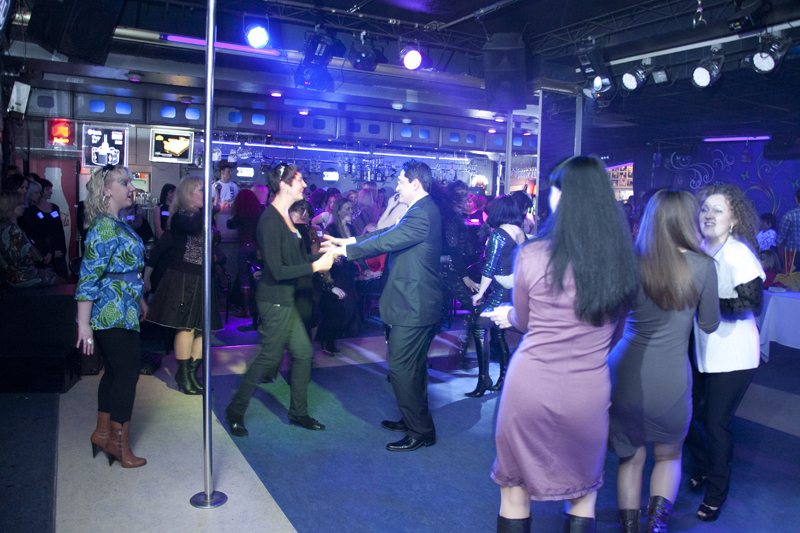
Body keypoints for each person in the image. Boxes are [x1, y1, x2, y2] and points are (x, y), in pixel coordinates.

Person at [483, 157, 638, 533]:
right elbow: (615, 334)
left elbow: (525, 321)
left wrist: (509, 316)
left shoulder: (533, 254)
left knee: (514, 490)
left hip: (530, 386)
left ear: (559, 197)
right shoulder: (622, 262)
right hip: (588, 390)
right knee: (583, 493)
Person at [608, 190, 720, 533]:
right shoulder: (704, 266)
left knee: (630, 458)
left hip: (624, 372)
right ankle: (655, 528)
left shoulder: (629, 262)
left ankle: (629, 529)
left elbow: (612, 315)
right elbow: (709, 324)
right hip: (671, 376)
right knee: (669, 456)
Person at [323, 160, 443, 452]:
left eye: (400, 182)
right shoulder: (419, 210)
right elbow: (383, 234)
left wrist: (347, 249)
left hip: (414, 305)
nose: (396, 188)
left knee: (401, 368)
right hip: (411, 303)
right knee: (412, 368)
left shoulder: (422, 213)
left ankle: (420, 430)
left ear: (415, 184)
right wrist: (349, 241)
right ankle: (414, 420)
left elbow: (386, 240)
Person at [225, 164, 335, 436]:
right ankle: (235, 410)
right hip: (274, 300)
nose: (305, 185)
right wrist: (316, 266)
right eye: (299, 180)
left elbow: (296, 260)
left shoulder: (285, 217)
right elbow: (276, 270)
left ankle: (298, 413)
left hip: (286, 298)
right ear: (284, 185)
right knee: (269, 358)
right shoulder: (270, 220)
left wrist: (324, 256)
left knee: (304, 353)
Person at [685, 184, 765, 523]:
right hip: (703, 350)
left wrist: (706, 303)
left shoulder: (738, 253)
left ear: (733, 219)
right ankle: (704, 465)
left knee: (716, 424)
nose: (709, 214)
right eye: (705, 208)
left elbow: (753, 302)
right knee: (688, 415)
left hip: (734, 355)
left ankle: (715, 495)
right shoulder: (699, 247)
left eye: (718, 210)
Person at [74, 165, 147, 468]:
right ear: (106, 191)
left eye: (131, 182)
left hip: (124, 308)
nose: (132, 187)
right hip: (110, 311)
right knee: (127, 374)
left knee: (116, 373)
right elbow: (89, 276)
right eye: (124, 182)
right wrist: (83, 324)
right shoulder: (104, 226)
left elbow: (125, 267)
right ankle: (119, 445)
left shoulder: (118, 222)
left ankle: (103, 434)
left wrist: (140, 299)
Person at [147, 176, 223, 395]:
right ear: (188, 194)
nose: (205, 194)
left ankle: (189, 373)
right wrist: (215, 207)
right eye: (201, 190)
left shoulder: (203, 216)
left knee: (207, 328)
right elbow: (193, 226)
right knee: (187, 326)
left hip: (204, 277)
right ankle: (184, 375)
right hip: (186, 277)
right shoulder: (181, 216)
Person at [469, 195, 525, 395]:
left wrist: (480, 293)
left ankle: (484, 380)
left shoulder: (499, 234)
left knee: (479, 327)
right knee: (498, 331)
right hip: (513, 289)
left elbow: (490, 268)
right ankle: (503, 378)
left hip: (500, 291)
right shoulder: (519, 231)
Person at [433, 180, 479, 363]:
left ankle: (414, 356)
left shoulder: (452, 214)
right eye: (465, 195)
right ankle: (461, 350)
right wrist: (465, 277)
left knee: (440, 315)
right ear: (457, 197)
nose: (468, 199)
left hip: (446, 268)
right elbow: (453, 248)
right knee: (476, 306)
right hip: (448, 269)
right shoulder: (451, 216)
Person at [317, 197, 363, 354]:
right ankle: (327, 340)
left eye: (352, 208)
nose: (351, 211)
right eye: (347, 209)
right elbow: (325, 249)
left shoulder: (351, 228)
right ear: (338, 211)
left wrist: (360, 265)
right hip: (335, 272)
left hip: (347, 271)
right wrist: (333, 255)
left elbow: (355, 249)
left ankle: (329, 338)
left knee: (349, 307)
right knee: (337, 307)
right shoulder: (331, 229)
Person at [0, 191, 59, 288]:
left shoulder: (3, 226)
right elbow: (36, 256)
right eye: (20, 204)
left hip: (5, 276)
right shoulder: (13, 230)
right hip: (21, 276)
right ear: (10, 207)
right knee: (60, 282)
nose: (24, 206)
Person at [227, 189, 264, 318]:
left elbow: (231, 224)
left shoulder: (240, 214)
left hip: (244, 247)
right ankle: (258, 309)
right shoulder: (259, 213)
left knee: (244, 278)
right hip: (257, 248)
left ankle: (246, 309)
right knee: (258, 277)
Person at [777, 189, 800, 272]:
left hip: (793, 255)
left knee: (791, 279)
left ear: (796, 199)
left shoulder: (789, 216)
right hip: (793, 254)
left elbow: (780, 240)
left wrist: (782, 261)